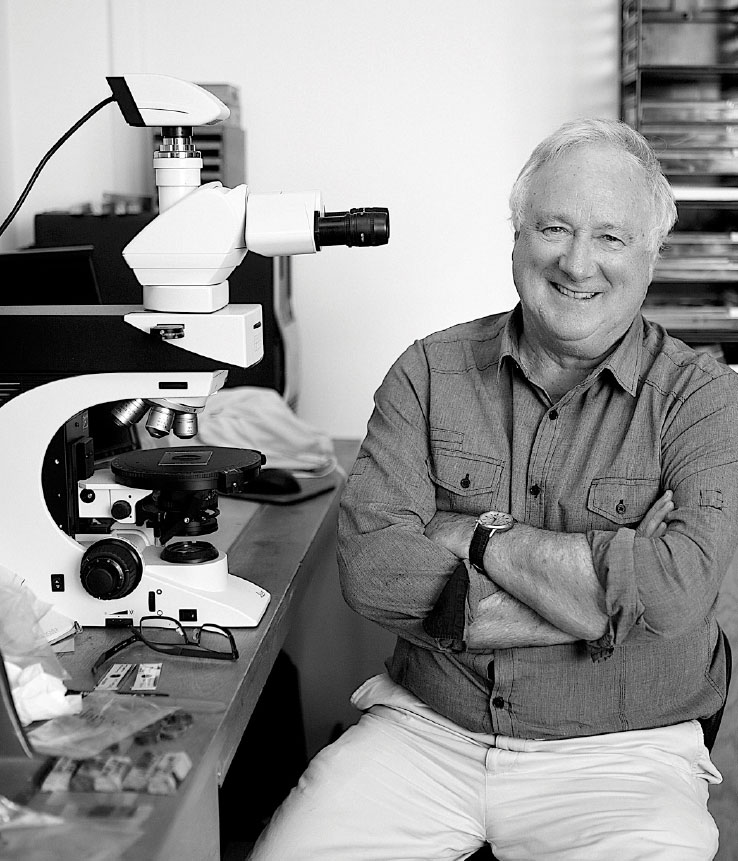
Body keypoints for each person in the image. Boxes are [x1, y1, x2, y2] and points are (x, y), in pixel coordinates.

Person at [249, 118, 738, 860]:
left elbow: (675, 594)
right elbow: (373, 571)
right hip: (426, 731)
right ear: (516, 238)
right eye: (554, 228)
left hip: (624, 755)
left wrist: (474, 532)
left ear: (651, 255)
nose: (577, 262)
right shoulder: (428, 372)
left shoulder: (701, 398)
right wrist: (606, 598)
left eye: (610, 237)